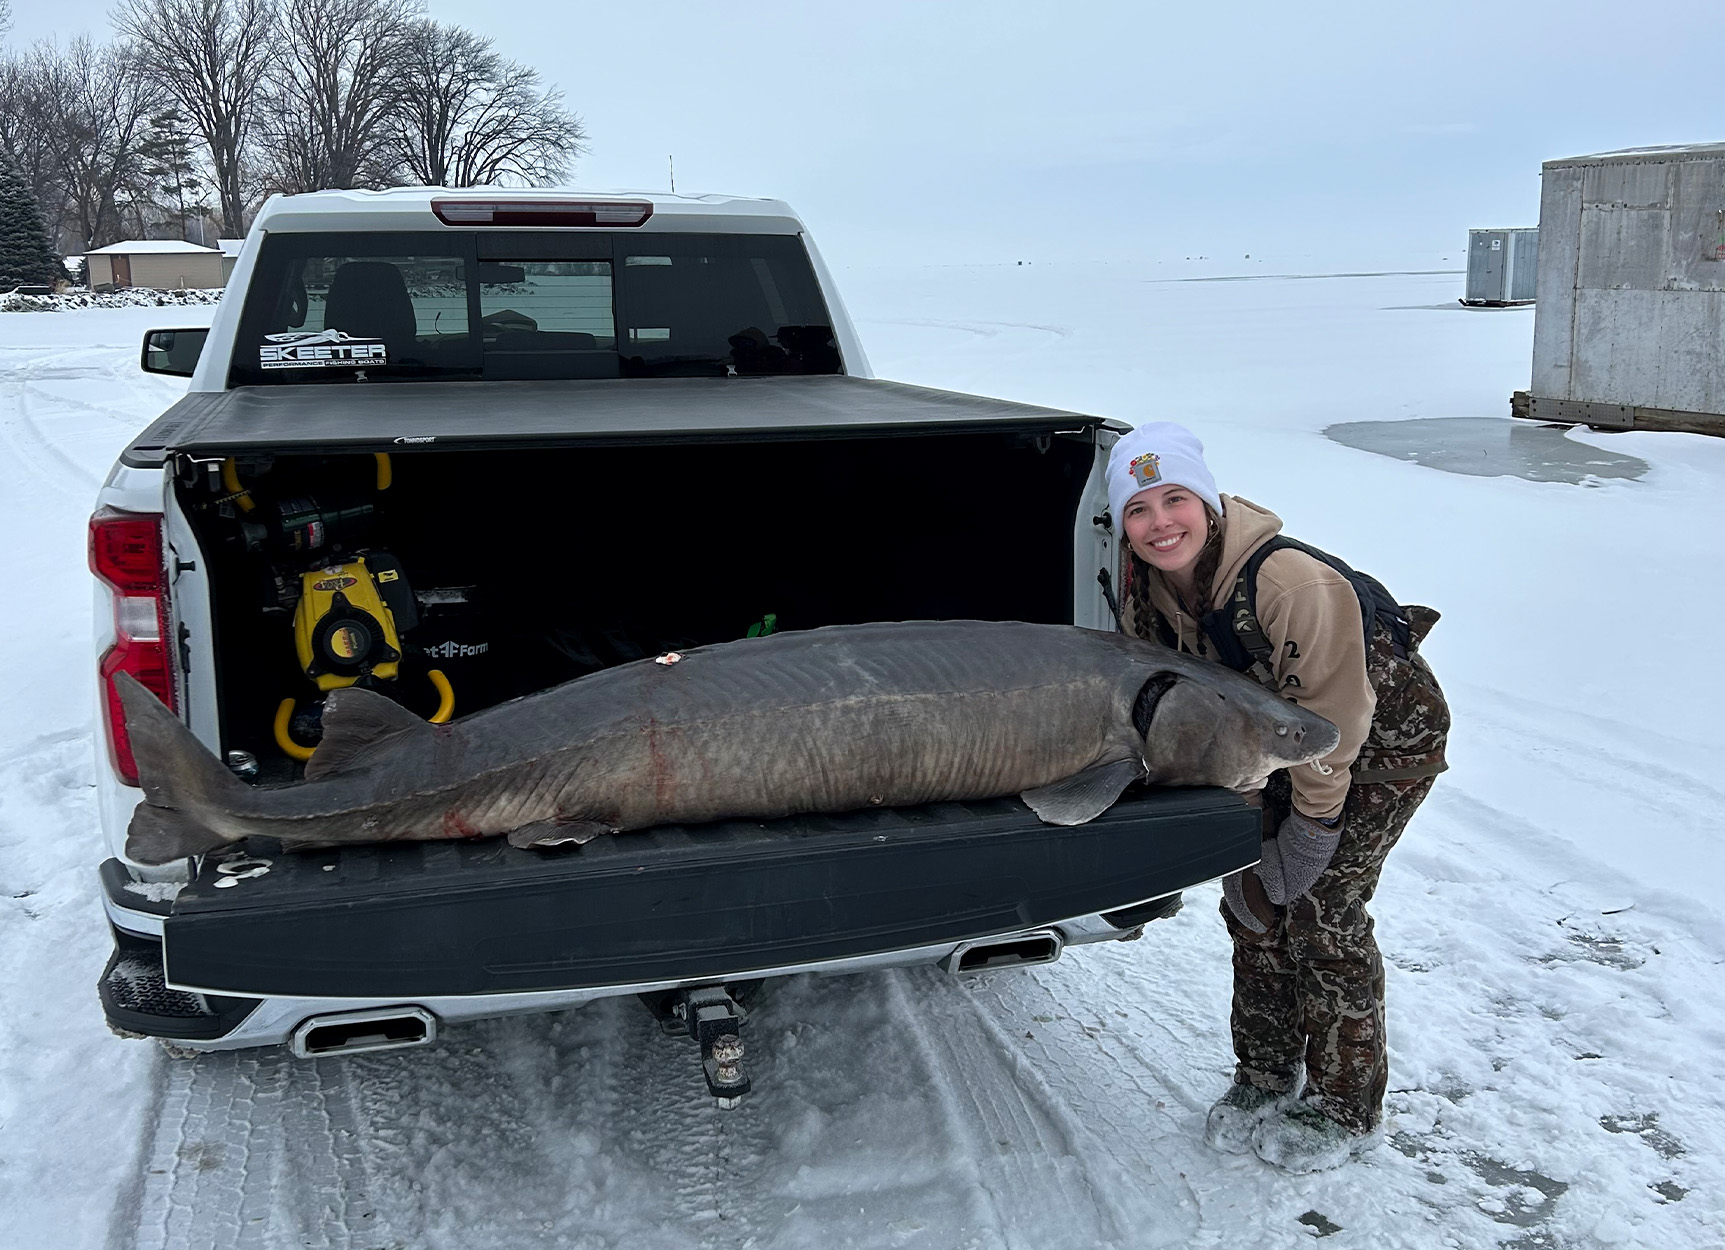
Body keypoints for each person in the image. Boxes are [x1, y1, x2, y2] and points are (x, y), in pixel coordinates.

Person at [1105, 421, 1449, 1173]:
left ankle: (1343, 1108)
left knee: (1322, 915)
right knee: (1253, 911)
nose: (1160, 522)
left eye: (1174, 500)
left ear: (1207, 503)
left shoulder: (1288, 583)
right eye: (1138, 508)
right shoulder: (1146, 592)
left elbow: (1336, 727)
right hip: (1263, 746)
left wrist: (1312, 828)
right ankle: (1263, 1076)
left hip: (1376, 748)